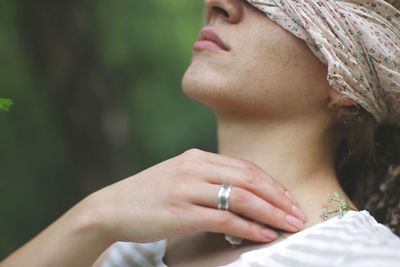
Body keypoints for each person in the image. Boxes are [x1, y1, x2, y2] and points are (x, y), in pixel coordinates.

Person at [1, 0, 400, 267]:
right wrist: (93, 217)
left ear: (347, 79)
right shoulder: (126, 244)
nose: (218, 4)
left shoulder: (369, 260)